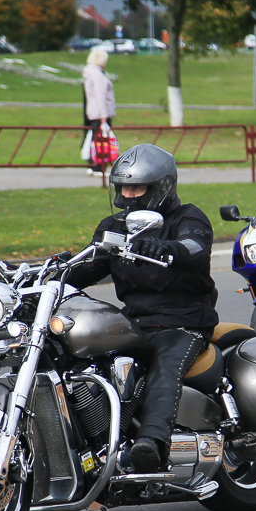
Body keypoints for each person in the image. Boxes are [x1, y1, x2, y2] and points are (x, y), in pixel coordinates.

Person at [66, 143, 218, 472]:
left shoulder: (188, 217)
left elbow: (194, 247)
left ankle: (152, 443)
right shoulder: (114, 226)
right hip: (136, 321)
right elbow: (88, 267)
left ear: (161, 187)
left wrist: (167, 249)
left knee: (165, 367)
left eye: (137, 188)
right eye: (124, 188)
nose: (129, 195)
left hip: (183, 320)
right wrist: (54, 270)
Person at [82, 47, 116, 176]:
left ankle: (93, 165)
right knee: (101, 141)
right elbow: (101, 96)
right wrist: (104, 115)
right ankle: (98, 167)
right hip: (100, 113)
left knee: (95, 139)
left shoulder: (89, 73)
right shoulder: (98, 75)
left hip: (93, 112)